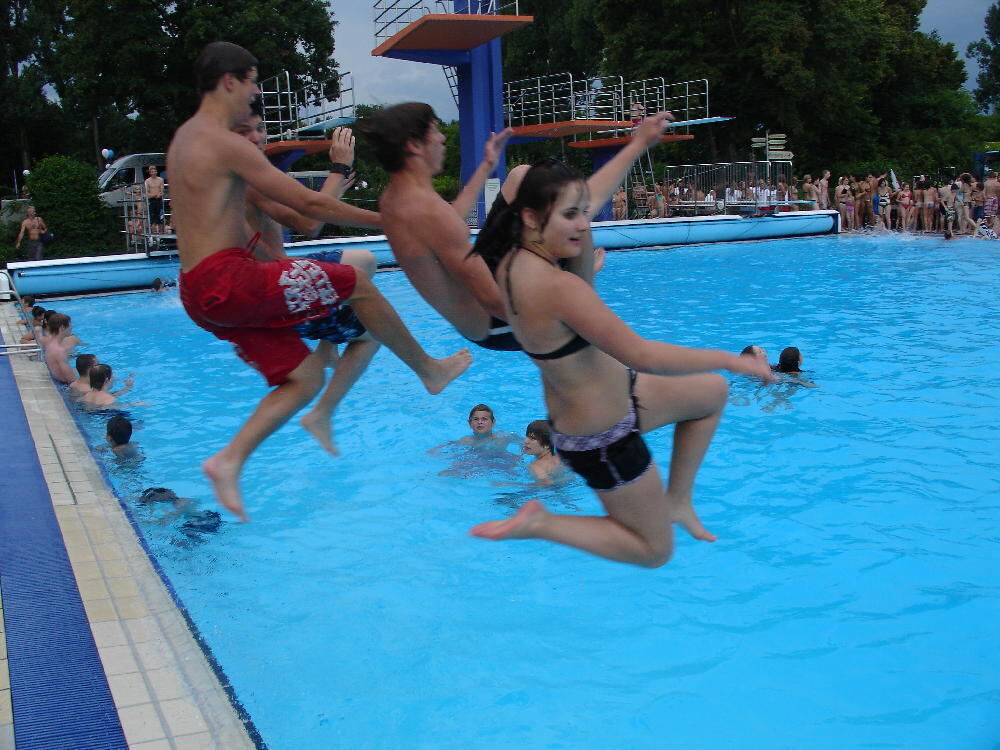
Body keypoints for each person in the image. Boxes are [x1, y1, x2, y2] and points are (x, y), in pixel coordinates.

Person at [167, 42, 470, 520]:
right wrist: (391, 219)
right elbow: (310, 209)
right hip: (231, 279)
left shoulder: (186, 139)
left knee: (304, 378)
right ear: (229, 81)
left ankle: (229, 461)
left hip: (202, 293)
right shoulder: (221, 141)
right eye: (252, 80)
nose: (256, 92)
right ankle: (429, 371)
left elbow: (299, 216)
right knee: (357, 280)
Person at [468, 157, 775, 567]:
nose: (582, 224)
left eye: (584, 214)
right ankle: (542, 524)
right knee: (654, 551)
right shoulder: (559, 288)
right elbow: (642, 353)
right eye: (570, 216)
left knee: (711, 393)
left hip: (619, 393)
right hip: (603, 437)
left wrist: (639, 144)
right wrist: (728, 359)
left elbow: (533, 183)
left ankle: (678, 499)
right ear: (530, 217)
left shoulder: (508, 262)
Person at [358, 102, 667, 352]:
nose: (442, 138)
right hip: (497, 325)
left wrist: (486, 166)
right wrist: (566, 312)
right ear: (414, 145)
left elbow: (451, 223)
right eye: (435, 132)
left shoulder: (402, 197)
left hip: (484, 292)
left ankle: (571, 271)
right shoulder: (423, 210)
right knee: (575, 217)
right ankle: (581, 285)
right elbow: (492, 300)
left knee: (521, 176)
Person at [232, 102, 381, 456]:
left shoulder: (239, 175)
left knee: (363, 261)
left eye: (260, 129)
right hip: (274, 289)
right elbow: (310, 221)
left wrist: (336, 188)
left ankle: (328, 346)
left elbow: (309, 213)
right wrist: (338, 166)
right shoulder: (247, 177)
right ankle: (322, 413)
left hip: (274, 275)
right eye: (244, 132)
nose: (256, 137)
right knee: (375, 330)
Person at [522, 420, 564, 485]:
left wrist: (515, 485)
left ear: (546, 445)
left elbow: (546, 483)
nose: (526, 441)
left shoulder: (536, 466)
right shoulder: (560, 458)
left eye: (532, 439)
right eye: (527, 437)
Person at [43, 313, 77, 384]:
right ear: (62, 328)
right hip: (65, 386)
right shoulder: (59, 351)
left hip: (58, 381)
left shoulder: (50, 344)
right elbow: (70, 379)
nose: (72, 327)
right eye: (70, 325)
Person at [145, 165, 166, 234]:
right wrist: (154, 195)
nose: (153, 173)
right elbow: (147, 193)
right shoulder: (147, 181)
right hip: (152, 200)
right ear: (150, 173)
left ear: (156, 172)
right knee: (152, 218)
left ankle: (161, 233)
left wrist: (159, 194)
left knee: (160, 218)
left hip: (159, 200)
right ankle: (153, 234)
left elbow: (162, 190)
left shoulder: (160, 179)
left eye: (154, 171)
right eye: (152, 172)